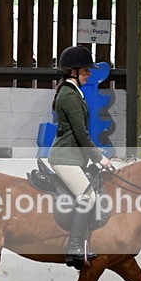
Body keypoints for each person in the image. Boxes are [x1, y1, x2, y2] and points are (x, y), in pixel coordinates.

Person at [48, 45, 112, 269]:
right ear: (73, 71)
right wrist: (98, 158)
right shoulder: (69, 95)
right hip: (64, 158)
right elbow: (80, 133)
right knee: (88, 198)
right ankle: (74, 246)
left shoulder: (74, 92)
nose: (89, 74)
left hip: (73, 157)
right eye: (85, 70)